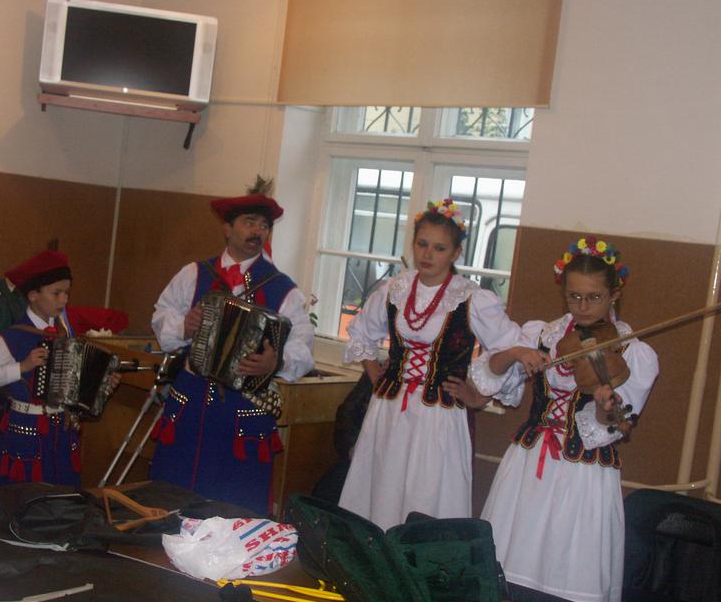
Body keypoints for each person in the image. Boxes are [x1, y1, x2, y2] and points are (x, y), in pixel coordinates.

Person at [472, 237, 658, 602]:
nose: (583, 306)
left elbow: (614, 426)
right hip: (528, 467)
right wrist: (516, 354)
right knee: (509, 571)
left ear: (614, 294)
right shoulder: (543, 334)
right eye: (574, 296)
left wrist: (607, 409)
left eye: (594, 296)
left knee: (567, 575)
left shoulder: (633, 353)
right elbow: (490, 376)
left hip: (582, 476)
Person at [337, 198, 523, 528]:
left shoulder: (471, 298)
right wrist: (374, 372)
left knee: (426, 495)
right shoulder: (395, 289)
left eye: (439, 248)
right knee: (381, 489)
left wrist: (479, 396)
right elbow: (362, 332)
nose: (427, 254)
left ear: (455, 253)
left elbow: (513, 349)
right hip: (389, 411)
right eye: (422, 244)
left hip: (439, 417)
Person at [149, 192, 315, 515]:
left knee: (234, 508)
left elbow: (303, 346)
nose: (258, 231)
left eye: (264, 226)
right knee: (172, 501)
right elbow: (160, 315)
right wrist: (183, 326)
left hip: (243, 412)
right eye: (249, 223)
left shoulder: (283, 288)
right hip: (190, 404)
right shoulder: (194, 274)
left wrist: (276, 362)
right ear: (227, 228)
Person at [0, 250, 105, 490]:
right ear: (33, 295)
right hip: (28, 431)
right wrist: (22, 367)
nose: (64, 300)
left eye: (67, 293)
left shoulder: (65, 333)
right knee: (24, 496)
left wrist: (100, 385)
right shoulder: (15, 335)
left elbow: (72, 388)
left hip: (61, 433)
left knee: (61, 495)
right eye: (56, 293)